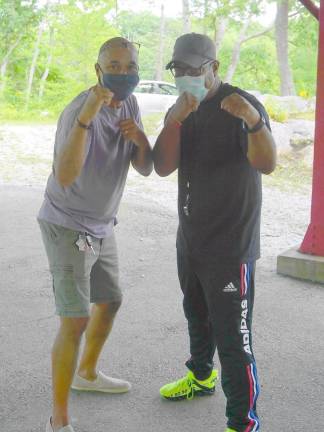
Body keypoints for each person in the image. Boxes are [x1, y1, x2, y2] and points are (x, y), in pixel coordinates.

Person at [153, 33, 276, 432]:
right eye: (181, 70)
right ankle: (201, 376)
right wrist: (175, 118)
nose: (187, 76)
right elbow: (163, 165)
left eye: (195, 69)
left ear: (214, 68)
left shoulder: (241, 104)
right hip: (191, 238)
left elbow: (267, 163)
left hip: (230, 246)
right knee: (196, 315)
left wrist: (253, 121)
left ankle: (243, 421)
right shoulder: (181, 108)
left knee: (234, 339)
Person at [38, 37, 153, 432]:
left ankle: (87, 374)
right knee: (74, 321)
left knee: (111, 300)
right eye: (115, 66)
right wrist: (87, 117)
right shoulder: (77, 112)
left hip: (102, 225)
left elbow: (145, 167)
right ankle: (58, 420)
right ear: (98, 70)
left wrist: (140, 139)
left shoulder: (132, 103)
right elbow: (66, 176)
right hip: (68, 224)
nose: (124, 73)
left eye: (130, 65)